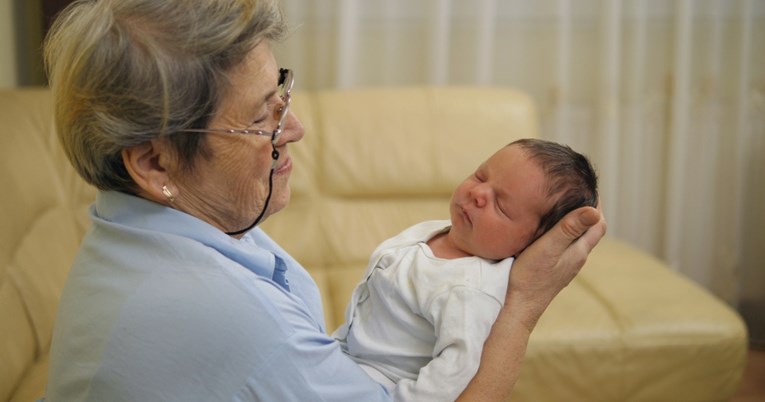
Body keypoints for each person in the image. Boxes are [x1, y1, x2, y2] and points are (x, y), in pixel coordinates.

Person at [41, 0, 606, 401]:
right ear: (156, 163)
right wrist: (525, 306)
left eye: (281, 95)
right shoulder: (227, 318)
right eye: (262, 118)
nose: (296, 129)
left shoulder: (142, 226)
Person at [333, 139, 598, 401]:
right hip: (346, 352)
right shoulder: (441, 231)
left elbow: (451, 375)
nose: (478, 193)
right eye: (481, 176)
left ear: (530, 245)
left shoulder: (470, 289)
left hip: (378, 384)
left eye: (502, 206)